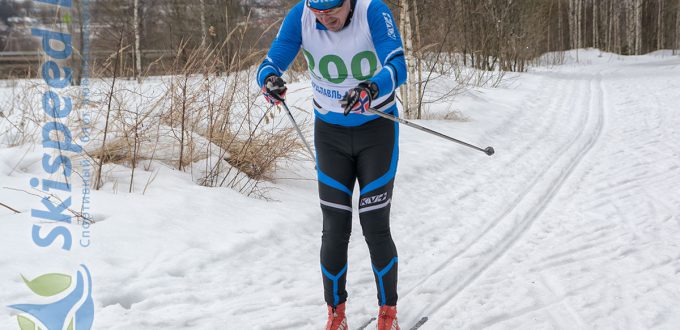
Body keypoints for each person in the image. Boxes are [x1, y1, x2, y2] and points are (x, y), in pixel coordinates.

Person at [257, 0, 406, 329]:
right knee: (334, 228)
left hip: (376, 132)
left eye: (332, 11)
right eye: (318, 12)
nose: (325, 18)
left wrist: (370, 87)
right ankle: (336, 315)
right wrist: (269, 81)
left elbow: (398, 65)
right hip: (330, 136)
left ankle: (388, 315)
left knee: (373, 223)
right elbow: (269, 63)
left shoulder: (373, 12)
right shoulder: (301, 15)